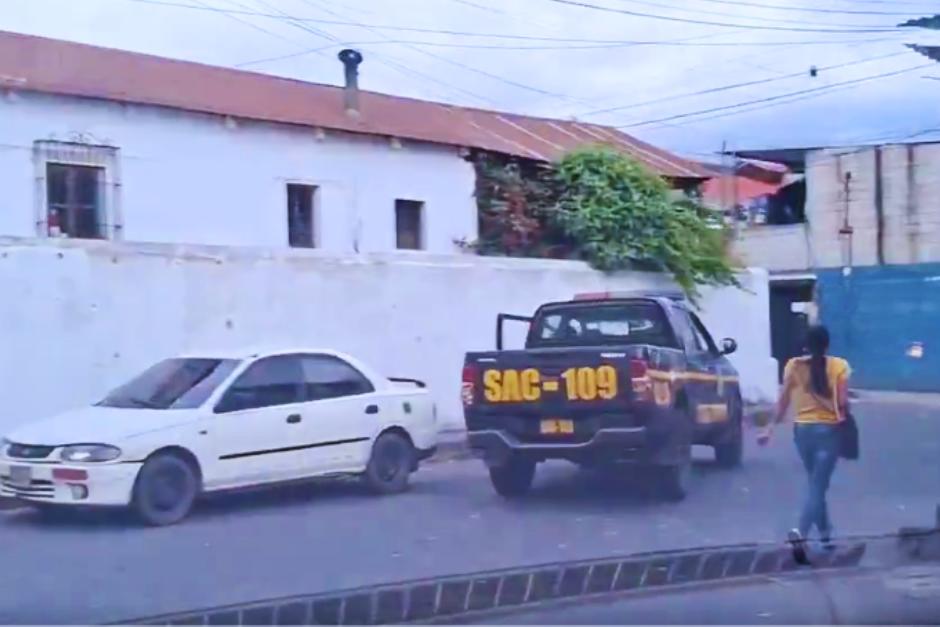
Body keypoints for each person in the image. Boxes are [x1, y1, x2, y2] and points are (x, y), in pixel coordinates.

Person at [758, 325, 851, 553]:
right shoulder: (840, 366)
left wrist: (770, 428)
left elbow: (783, 402)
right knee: (818, 486)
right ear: (827, 344)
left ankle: (826, 536)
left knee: (816, 484)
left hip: (803, 432)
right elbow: (842, 403)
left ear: (806, 345)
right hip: (829, 431)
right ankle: (800, 533)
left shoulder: (793, 366)